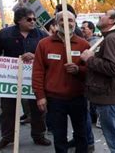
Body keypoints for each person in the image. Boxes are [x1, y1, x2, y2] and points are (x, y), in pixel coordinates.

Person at [0, 7, 51, 150]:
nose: (33, 21)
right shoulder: (5, 34)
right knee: (7, 110)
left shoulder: (41, 35)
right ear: (19, 20)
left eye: (34, 19)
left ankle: (39, 135)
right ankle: (7, 137)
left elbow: (49, 54)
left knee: (38, 108)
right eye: (29, 19)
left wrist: (35, 56)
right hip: (10, 78)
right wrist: (3, 62)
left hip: (34, 78)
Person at [32, 11, 90, 153]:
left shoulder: (83, 44)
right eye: (63, 20)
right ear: (56, 24)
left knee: (81, 134)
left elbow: (91, 72)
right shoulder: (44, 44)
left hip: (78, 97)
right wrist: (40, 96)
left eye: (70, 20)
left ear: (74, 23)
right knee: (59, 135)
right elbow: (38, 72)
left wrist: (78, 70)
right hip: (55, 99)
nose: (67, 23)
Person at [81, 9, 115, 153]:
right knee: (114, 136)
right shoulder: (107, 38)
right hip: (108, 96)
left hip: (110, 98)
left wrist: (90, 59)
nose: (101, 15)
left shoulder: (112, 38)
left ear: (112, 21)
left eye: (105, 14)